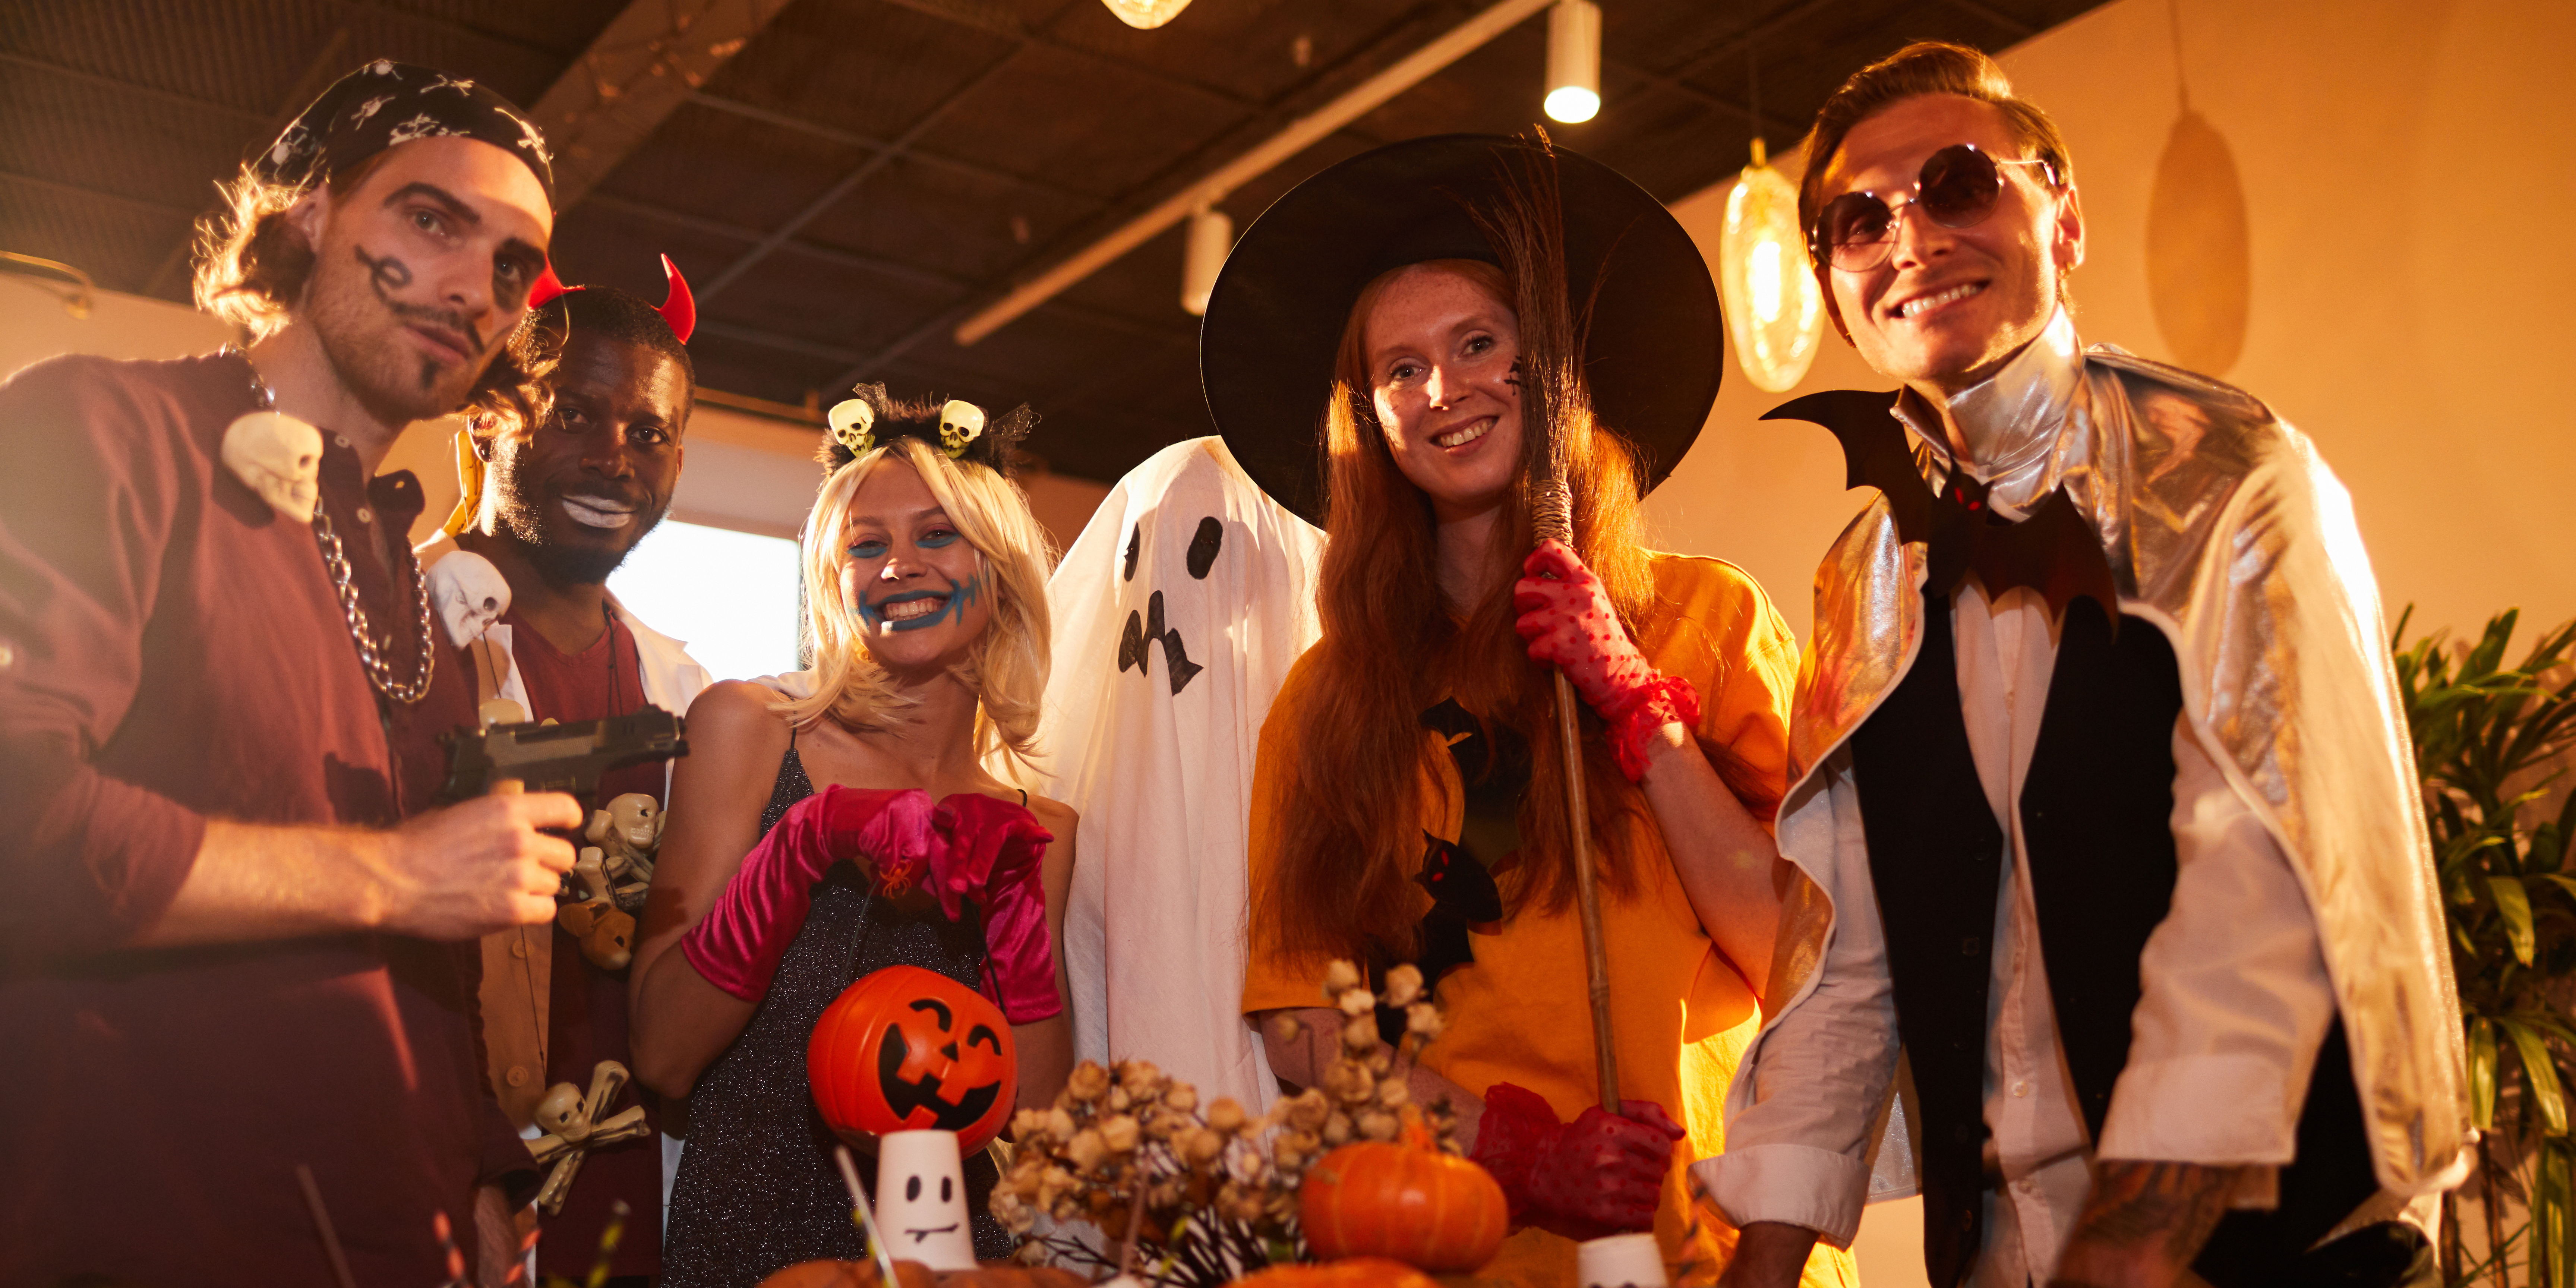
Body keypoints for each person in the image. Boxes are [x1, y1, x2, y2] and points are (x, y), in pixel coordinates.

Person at [1701, 42, 2469, 1288]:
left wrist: (2129, 1245)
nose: (1911, 238)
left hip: (2267, 1251)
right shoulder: (1862, 579)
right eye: (1859, 219)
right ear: (1836, 286)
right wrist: (1762, 1258)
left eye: (1957, 183)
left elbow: (2260, 897)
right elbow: (1843, 957)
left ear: (2062, 217)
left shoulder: (2234, 479)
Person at [1205, 135, 1852, 1287]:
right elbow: (1304, 1026)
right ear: (1370, 416)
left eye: (1478, 344)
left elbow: (1802, 959)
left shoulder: (1709, 618)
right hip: (1452, 1248)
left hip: (1716, 1248)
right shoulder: (1328, 703)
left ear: (1550, 366)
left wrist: (1640, 712)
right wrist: (1516, 1150)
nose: (1442, 390)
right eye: (1399, 370)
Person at [0, 61, 580, 1286]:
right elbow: (19, 815)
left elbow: (429, 935)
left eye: (516, 265)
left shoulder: (409, 577)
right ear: (315, 213)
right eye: (432, 219)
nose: (477, 286)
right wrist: (393, 874)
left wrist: (477, 1168)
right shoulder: (99, 429)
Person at [628, 387, 1077, 1288]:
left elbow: (1035, 1125)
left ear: (998, 566)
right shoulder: (751, 729)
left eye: (936, 535)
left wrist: (1016, 901)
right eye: (864, 547)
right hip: (752, 1250)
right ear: (832, 581)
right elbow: (664, 1056)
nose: (897, 567)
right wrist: (800, 845)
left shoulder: (1040, 826)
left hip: (957, 1261)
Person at [419, 259, 716, 1283]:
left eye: (649, 435)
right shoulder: (398, 634)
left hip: (637, 1199)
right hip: (430, 1183)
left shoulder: (686, 692)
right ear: (491, 422)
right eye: (576, 416)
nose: (613, 462)